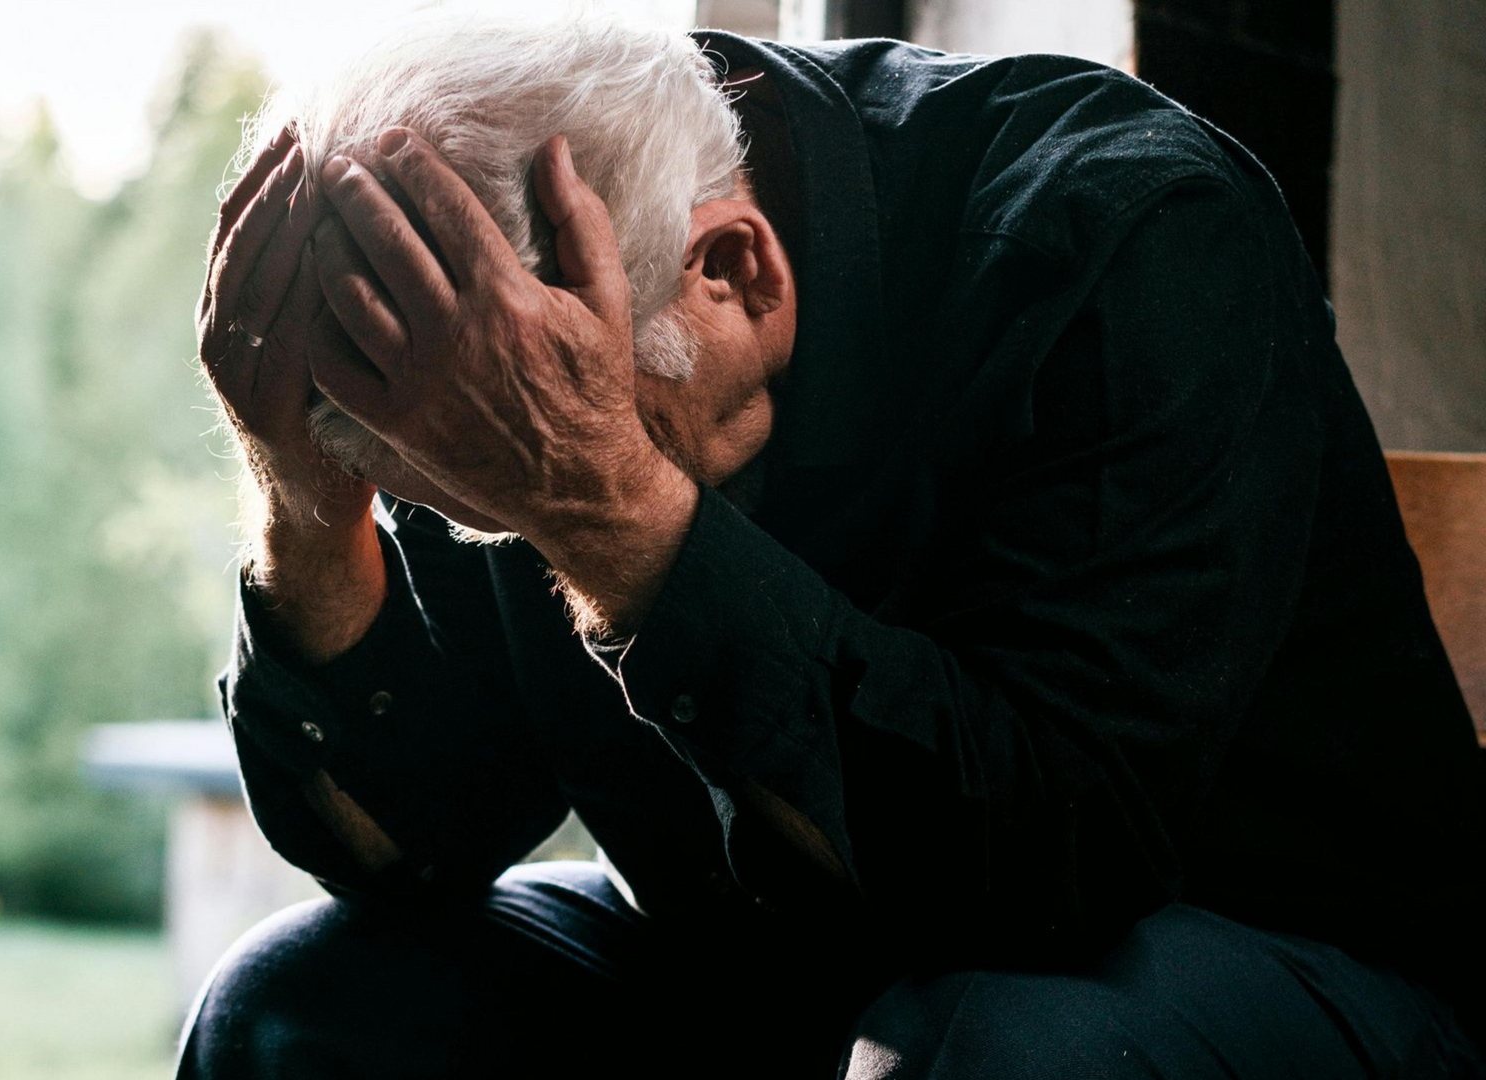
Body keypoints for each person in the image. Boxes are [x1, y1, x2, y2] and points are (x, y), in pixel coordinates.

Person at [180, 15, 1486, 1079]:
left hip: (1247, 957)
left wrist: (609, 511)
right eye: (470, 499)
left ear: (734, 269)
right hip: (769, 962)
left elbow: (1052, 867)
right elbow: (418, 845)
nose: (500, 524)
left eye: (523, 475)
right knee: (298, 1013)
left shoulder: (1124, 236)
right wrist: (300, 496)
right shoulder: (482, 329)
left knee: (988, 1053)